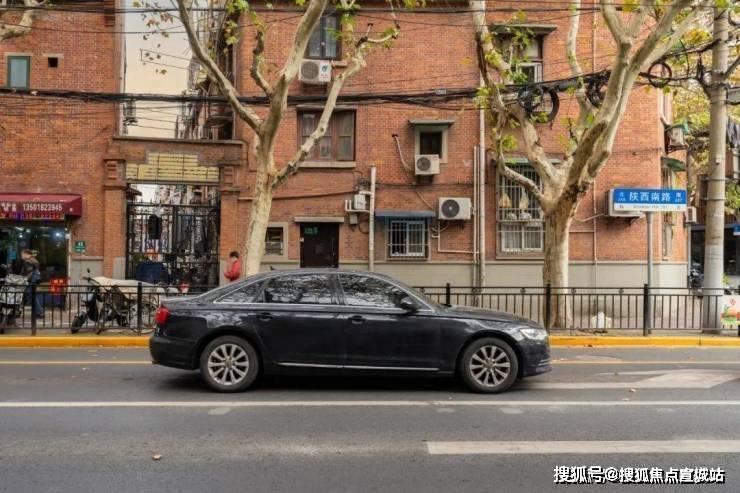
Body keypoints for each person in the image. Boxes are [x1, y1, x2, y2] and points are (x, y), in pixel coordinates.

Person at [20, 249, 44, 319]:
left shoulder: (29, 261)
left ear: (26, 254)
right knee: (32, 297)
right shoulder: (33, 260)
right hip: (32, 281)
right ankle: (38, 312)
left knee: (33, 298)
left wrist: (24, 279)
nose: (22, 256)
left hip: (30, 282)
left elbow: (29, 272)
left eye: (22, 254)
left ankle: (40, 312)